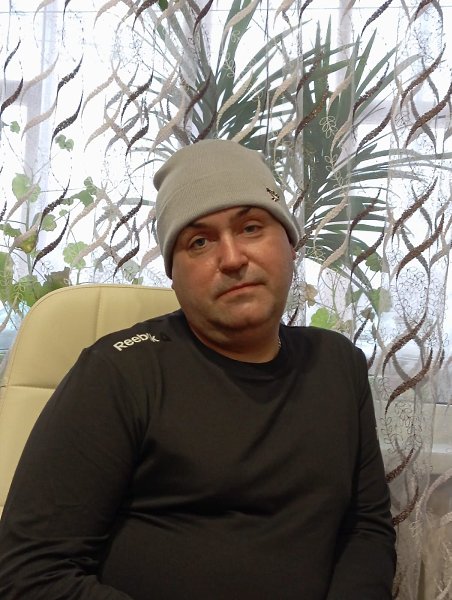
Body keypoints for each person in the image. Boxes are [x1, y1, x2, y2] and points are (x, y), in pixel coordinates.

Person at [0, 139, 396, 599]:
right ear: (173, 273)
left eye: (251, 227)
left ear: (290, 244)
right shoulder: (119, 373)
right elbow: (30, 573)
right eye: (199, 242)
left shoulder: (338, 364)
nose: (232, 259)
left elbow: (366, 529)